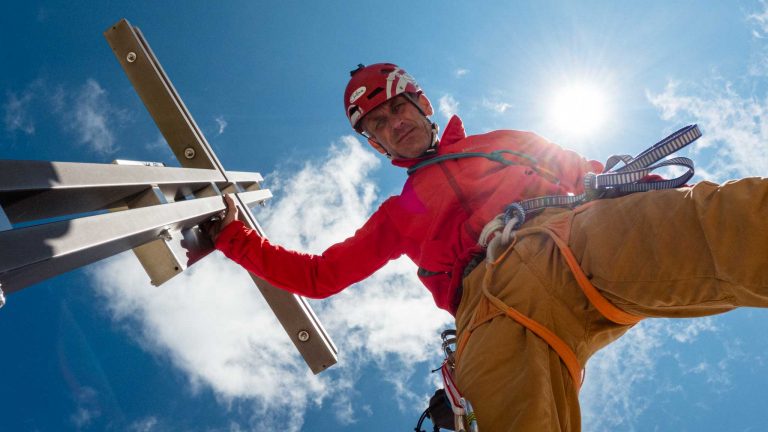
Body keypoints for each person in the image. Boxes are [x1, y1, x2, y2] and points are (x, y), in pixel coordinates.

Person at [208, 63, 768, 431]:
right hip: (491, 311)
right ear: (376, 144)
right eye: (378, 123)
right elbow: (320, 276)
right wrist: (233, 238)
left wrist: (630, 180)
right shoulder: (398, 215)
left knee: (717, 224)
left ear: (422, 105)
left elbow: (582, 168)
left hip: (570, 237)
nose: (394, 124)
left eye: (398, 108)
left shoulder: (506, 143)